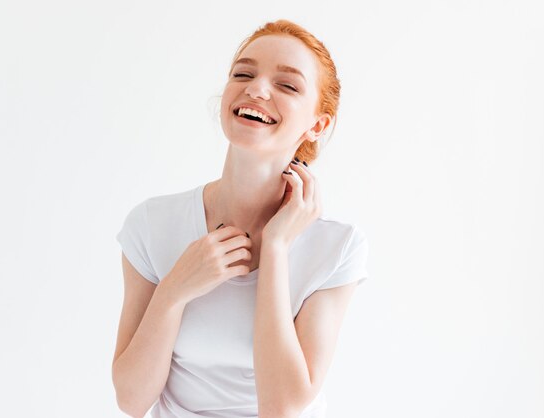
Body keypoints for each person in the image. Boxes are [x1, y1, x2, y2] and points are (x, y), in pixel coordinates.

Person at [112, 19, 370, 418]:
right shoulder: (152, 224)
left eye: (287, 85)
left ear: (317, 126)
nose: (256, 88)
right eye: (243, 74)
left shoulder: (336, 248)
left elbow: (281, 408)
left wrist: (278, 248)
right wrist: (174, 291)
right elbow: (131, 400)